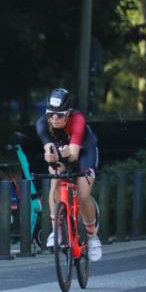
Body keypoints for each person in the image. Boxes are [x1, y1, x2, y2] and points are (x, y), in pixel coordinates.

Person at [35, 87, 102, 262]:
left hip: (84, 151)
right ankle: (56, 231)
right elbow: (49, 150)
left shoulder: (77, 120)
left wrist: (60, 154)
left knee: (82, 194)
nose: (54, 118)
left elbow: (73, 154)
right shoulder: (42, 124)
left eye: (59, 115)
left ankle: (93, 237)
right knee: (55, 181)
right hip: (61, 152)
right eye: (51, 114)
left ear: (68, 113)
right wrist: (51, 155)